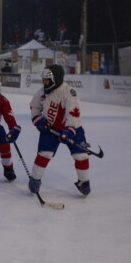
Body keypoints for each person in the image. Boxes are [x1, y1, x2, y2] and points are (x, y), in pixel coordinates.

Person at [29, 64, 91, 196]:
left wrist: (68, 131)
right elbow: (34, 108)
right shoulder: (41, 93)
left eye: (47, 80)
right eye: (43, 80)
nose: (44, 83)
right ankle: (35, 179)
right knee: (44, 154)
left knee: (81, 155)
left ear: (55, 79)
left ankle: (84, 182)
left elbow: (73, 114)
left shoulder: (68, 92)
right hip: (50, 129)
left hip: (73, 128)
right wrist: (39, 121)